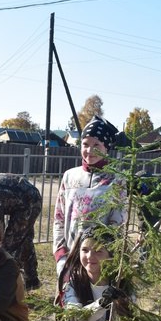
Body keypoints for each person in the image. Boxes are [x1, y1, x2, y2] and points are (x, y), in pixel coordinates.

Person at [53, 115, 129, 277]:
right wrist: (60, 254)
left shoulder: (117, 180)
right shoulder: (69, 176)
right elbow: (59, 218)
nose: (89, 150)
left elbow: (118, 223)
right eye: (85, 144)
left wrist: (101, 257)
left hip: (98, 261)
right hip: (69, 258)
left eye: (97, 145)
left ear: (106, 148)